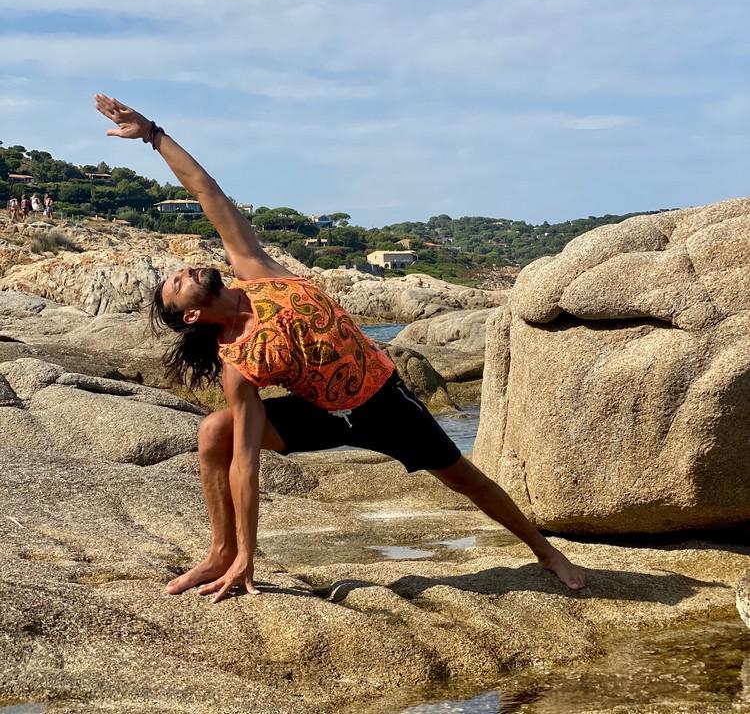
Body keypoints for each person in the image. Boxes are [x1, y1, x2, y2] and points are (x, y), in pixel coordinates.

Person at [94, 93, 587, 603]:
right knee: (216, 430)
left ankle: (545, 552)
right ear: (192, 315)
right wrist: (248, 552)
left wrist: (153, 134)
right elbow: (245, 463)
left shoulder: (256, 272)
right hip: (327, 414)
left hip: (384, 403)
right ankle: (224, 552)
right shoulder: (237, 363)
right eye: (177, 284)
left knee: (467, 481)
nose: (183, 271)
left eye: (179, 272)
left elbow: (207, 191)